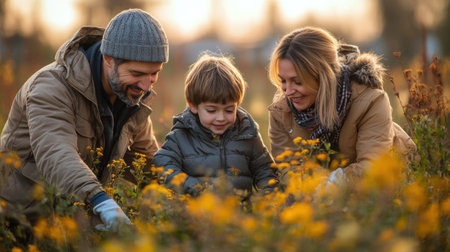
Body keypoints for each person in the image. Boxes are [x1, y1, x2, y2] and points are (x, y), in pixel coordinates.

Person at [0, 9, 168, 231]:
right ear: (108, 59)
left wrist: (191, 187)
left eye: (154, 74)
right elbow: (57, 154)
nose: (146, 86)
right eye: (137, 73)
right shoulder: (50, 87)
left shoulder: (128, 97)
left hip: (73, 223)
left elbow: (147, 162)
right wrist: (101, 201)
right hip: (20, 222)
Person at [267, 27, 416, 181]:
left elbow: (371, 168)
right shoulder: (281, 110)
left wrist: (329, 185)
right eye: (283, 81)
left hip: (391, 185)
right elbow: (289, 171)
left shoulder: (371, 101)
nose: (288, 91)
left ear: (323, 76)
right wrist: (317, 189)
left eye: (297, 82)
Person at [153, 54, 278, 197]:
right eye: (212, 110)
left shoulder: (247, 133)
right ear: (193, 106)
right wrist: (193, 186)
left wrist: (269, 198)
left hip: (240, 214)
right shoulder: (182, 135)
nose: (221, 118)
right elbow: (162, 164)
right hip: (197, 215)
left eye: (229, 110)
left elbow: (265, 170)